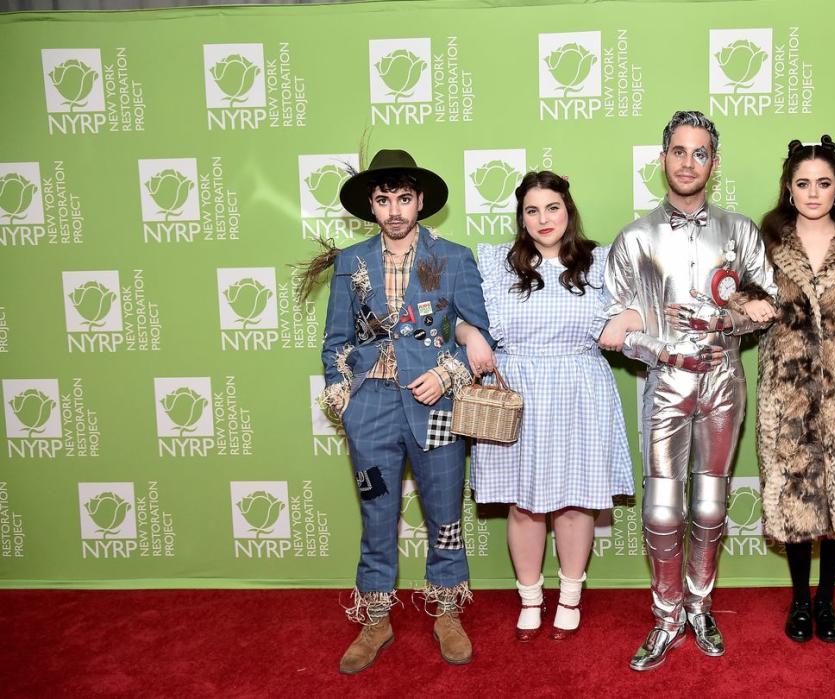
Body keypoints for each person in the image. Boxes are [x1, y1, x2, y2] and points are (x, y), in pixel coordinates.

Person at [599, 110, 777, 671]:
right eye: (678, 151)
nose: (688, 162)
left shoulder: (741, 231)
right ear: (662, 159)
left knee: (710, 503)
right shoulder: (633, 239)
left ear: (714, 163)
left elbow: (768, 305)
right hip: (666, 384)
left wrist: (724, 321)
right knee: (660, 511)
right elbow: (615, 328)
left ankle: (700, 607)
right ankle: (666, 614)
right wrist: (662, 348)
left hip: (725, 379)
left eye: (700, 153)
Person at [304, 149, 493, 673]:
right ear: (371, 203)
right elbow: (335, 341)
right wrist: (343, 394)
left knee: (444, 516)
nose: (394, 210)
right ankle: (375, 619)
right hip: (371, 408)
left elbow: (479, 334)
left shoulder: (451, 257)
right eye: (384, 199)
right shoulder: (352, 262)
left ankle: (448, 611)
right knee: (376, 516)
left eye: (404, 199)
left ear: (421, 202)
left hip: (433, 403)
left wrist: (446, 374)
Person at [731, 136, 835, 643]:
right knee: (796, 500)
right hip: (786, 396)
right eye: (803, 183)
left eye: (823, 183)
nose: (813, 192)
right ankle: (799, 603)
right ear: (788, 188)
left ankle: (827, 601)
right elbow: (735, 294)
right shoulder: (764, 243)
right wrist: (744, 302)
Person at [455, 171, 638, 642]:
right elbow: (456, 317)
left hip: (579, 388)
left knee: (576, 503)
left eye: (552, 208)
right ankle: (531, 597)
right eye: (532, 210)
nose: (543, 219)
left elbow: (646, 307)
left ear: (568, 211)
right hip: (517, 393)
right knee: (524, 505)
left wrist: (627, 317)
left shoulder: (598, 263)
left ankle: (571, 596)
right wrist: (471, 335)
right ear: (521, 217)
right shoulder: (496, 262)